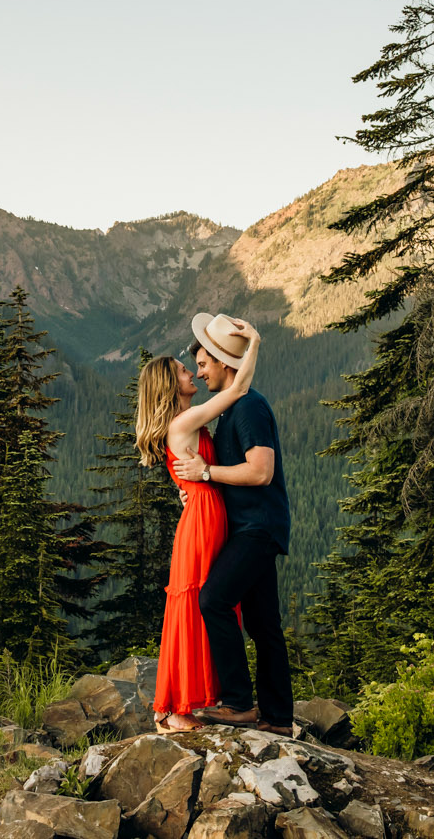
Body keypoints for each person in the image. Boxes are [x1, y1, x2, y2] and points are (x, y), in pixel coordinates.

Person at [134, 317, 262, 730]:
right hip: (203, 520)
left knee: (202, 605)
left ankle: (177, 705)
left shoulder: (187, 423)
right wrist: (253, 342)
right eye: (185, 371)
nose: (194, 372)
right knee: (197, 605)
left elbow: (189, 469)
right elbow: (239, 388)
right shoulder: (183, 422)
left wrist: (189, 485)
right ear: (172, 386)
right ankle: (179, 709)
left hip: (204, 514)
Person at [173, 311, 292, 733]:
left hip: (256, 528)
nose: (201, 373)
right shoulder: (233, 408)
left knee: (213, 600)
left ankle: (240, 704)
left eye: (204, 364)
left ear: (225, 363)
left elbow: (260, 471)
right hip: (253, 526)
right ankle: (278, 718)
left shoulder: (249, 408)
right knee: (263, 624)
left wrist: (206, 473)